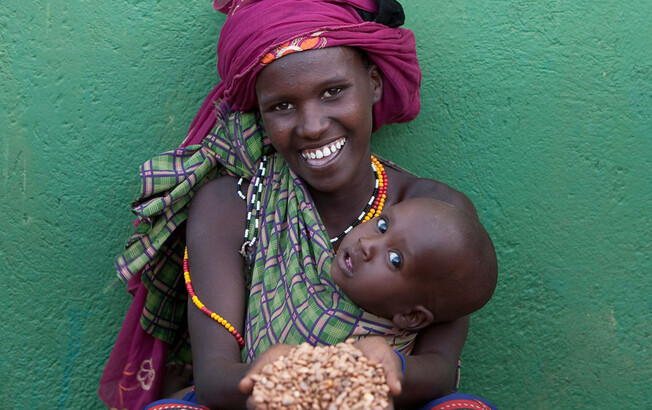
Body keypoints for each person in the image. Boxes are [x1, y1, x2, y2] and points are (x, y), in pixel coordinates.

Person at [99, 1, 499, 410]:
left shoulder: (436, 213)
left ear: (374, 84)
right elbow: (216, 379)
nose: (312, 125)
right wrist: (272, 376)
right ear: (261, 112)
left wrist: (386, 366)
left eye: (333, 92)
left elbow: (440, 372)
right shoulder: (230, 206)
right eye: (282, 106)